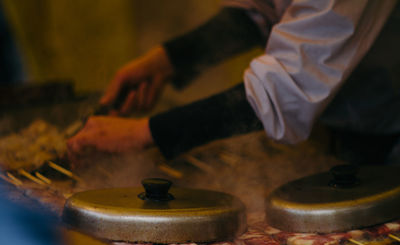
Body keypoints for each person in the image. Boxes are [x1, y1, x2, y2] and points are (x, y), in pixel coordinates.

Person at [67, 0, 400, 165]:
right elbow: (261, 10)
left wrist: (146, 132)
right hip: (342, 124)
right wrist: (169, 59)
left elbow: (287, 88)